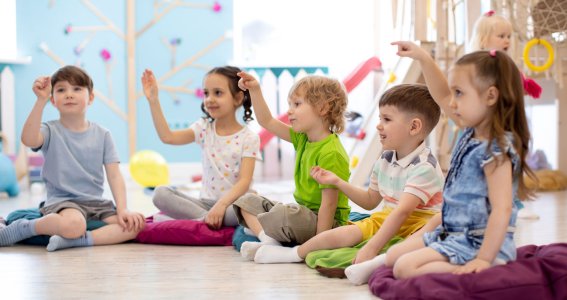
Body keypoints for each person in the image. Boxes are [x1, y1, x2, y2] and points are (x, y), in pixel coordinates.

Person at [250, 84, 445, 268]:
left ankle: (377, 263)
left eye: (386, 119)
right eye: (379, 119)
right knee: (339, 234)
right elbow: (370, 201)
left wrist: (371, 247)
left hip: (420, 223)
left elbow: (402, 212)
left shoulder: (424, 167)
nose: (378, 126)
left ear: (414, 127)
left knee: (413, 244)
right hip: (386, 218)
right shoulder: (385, 159)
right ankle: (293, 255)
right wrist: (337, 182)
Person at [388, 41, 535, 278]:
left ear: (490, 96)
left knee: (404, 268)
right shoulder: (471, 128)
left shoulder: (496, 150)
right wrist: (423, 58)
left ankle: (490, 269)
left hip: (478, 244)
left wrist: (484, 259)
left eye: (460, 93)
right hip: (454, 233)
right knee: (394, 255)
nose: (452, 102)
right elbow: (442, 95)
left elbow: (502, 209)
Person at [0, 65, 145, 251]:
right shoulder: (49, 130)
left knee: (135, 226)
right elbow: (28, 139)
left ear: (90, 97)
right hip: (63, 202)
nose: (69, 94)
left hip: (97, 204)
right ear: (53, 100)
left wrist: (123, 209)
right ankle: (22, 228)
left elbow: (115, 176)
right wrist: (40, 101)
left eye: (77, 89)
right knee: (75, 225)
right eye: (61, 90)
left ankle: (78, 240)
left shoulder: (103, 134)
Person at [234, 71, 351, 260]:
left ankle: (268, 236)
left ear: (322, 108)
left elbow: (329, 205)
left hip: (327, 223)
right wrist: (254, 89)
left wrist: (319, 243)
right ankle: (268, 240)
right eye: (290, 104)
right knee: (246, 201)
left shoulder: (332, 153)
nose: (289, 111)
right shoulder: (302, 138)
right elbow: (267, 121)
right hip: (303, 215)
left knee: (285, 214)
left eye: (297, 104)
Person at [141, 66, 261, 229]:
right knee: (160, 193)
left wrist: (221, 206)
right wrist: (153, 100)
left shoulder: (249, 138)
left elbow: (244, 181)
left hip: (233, 205)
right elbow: (167, 137)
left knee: (249, 207)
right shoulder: (204, 128)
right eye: (206, 93)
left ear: (238, 98)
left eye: (217, 93)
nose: (209, 99)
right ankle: (207, 219)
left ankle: (199, 221)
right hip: (204, 204)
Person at [470, 10, 541, 219]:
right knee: (491, 165)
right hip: (487, 126)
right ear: (484, 39)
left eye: (509, 36)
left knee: (513, 162)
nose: (507, 40)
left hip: (509, 123)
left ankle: (514, 203)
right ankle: (492, 203)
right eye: (501, 36)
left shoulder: (507, 64)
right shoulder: (478, 65)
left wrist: (522, 84)